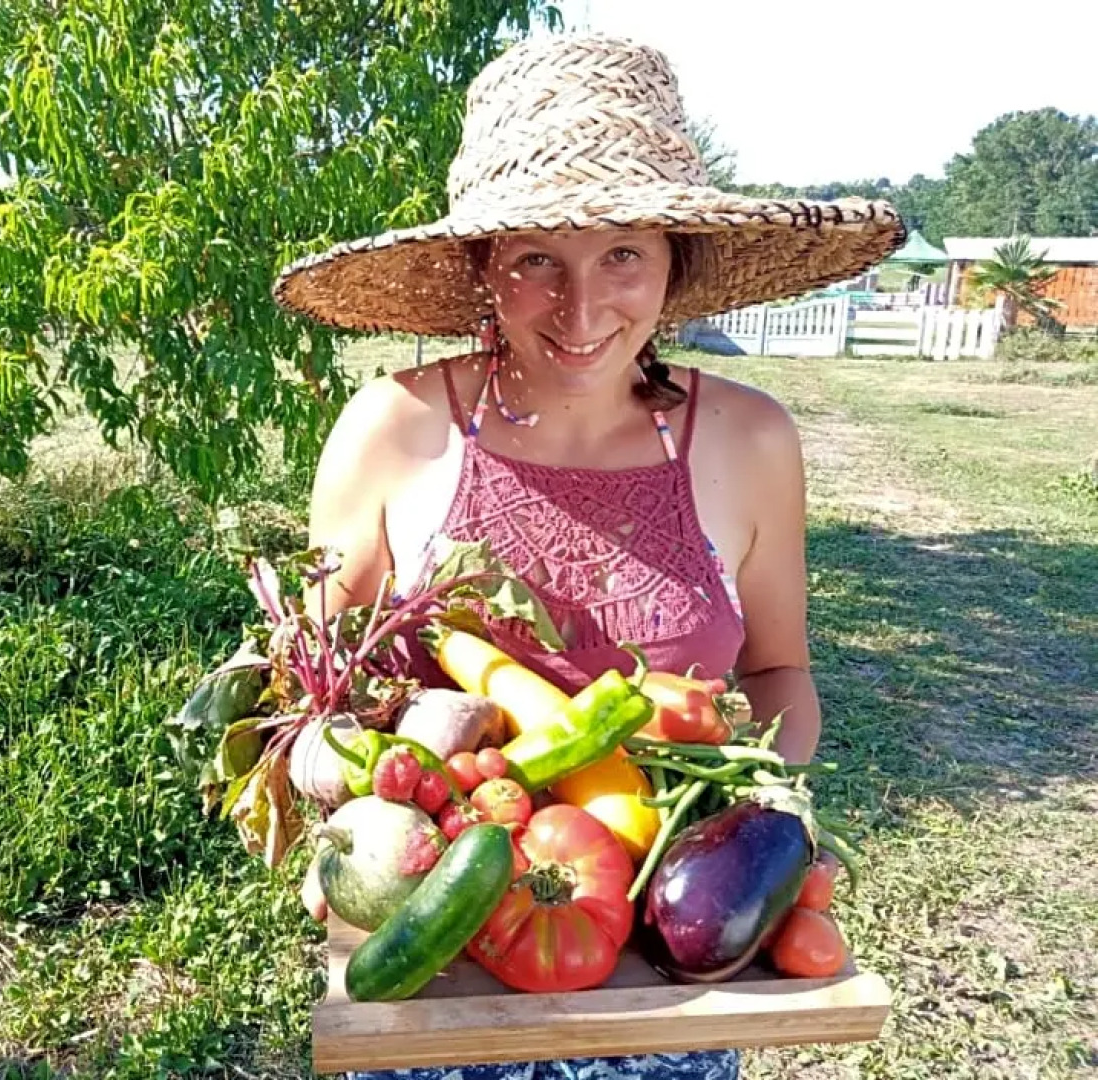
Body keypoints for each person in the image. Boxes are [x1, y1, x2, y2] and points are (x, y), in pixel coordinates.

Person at [273, 32, 904, 1080]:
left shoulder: (749, 441)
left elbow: (779, 675)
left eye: (622, 254)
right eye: (534, 259)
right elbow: (314, 691)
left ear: (675, 260)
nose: (579, 307)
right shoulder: (391, 429)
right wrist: (337, 821)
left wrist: (762, 818)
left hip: (668, 989)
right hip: (440, 974)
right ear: (481, 265)